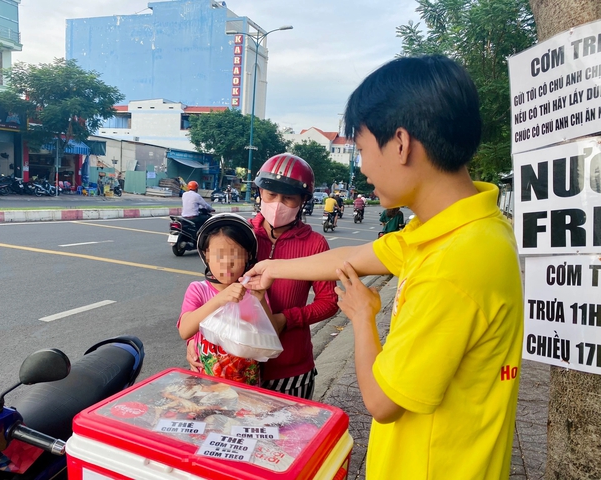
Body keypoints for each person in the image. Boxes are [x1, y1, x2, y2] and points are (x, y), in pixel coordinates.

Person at [243, 56, 523, 479]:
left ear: (400, 143)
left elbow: (381, 402)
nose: (363, 167)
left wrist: (362, 316)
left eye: (360, 149)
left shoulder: (455, 263)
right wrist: (272, 267)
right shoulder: (454, 230)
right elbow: (351, 258)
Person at [188, 153, 338, 399]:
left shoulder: (314, 244)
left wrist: (285, 320)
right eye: (271, 195)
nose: (278, 204)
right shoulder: (240, 235)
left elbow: (329, 302)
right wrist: (195, 339)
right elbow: (210, 291)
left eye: (288, 198)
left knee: (287, 435)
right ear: (260, 193)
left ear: (303, 201)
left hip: (289, 369)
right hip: (232, 365)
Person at [178, 214, 272, 385]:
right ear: (206, 256)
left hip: (246, 385)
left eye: (235, 255)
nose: (227, 263)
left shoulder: (254, 291)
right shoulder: (198, 290)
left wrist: (262, 301)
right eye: (219, 256)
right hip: (206, 386)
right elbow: (185, 330)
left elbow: (269, 333)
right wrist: (219, 299)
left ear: (247, 256)